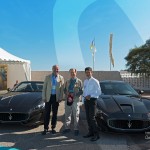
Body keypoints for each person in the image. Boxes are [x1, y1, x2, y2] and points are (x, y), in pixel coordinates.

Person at [42, 65, 64, 135]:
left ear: (58, 70)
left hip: (56, 98)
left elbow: (62, 89)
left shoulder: (61, 78)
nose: (56, 70)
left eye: (57, 69)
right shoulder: (47, 77)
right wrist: (44, 97)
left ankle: (53, 127)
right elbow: (44, 88)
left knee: (55, 113)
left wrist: (60, 97)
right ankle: (45, 128)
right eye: (54, 69)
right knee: (47, 113)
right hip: (48, 97)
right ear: (52, 69)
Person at [82, 67, 101, 141]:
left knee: (92, 118)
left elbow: (99, 92)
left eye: (89, 72)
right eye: (86, 72)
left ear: (91, 72)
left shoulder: (95, 81)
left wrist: (91, 96)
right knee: (88, 117)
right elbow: (84, 93)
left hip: (92, 101)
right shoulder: (85, 81)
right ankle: (90, 132)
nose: (87, 73)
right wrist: (83, 102)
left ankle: (97, 134)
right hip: (86, 101)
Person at [63, 68, 83, 136]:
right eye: (71, 72)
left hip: (75, 100)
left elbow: (81, 91)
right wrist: (67, 93)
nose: (72, 73)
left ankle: (76, 129)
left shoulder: (79, 81)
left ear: (76, 72)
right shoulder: (67, 81)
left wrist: (75, 94)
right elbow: (64, 90)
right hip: (68, 99)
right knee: (67, 114)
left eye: (73, 72)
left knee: (76, 114)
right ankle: (67, 128)